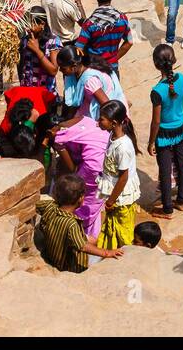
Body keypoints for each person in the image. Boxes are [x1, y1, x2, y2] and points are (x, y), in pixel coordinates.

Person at [50, 97, 112, 240]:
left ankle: (83, 234)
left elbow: (72, 169)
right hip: (104, 166)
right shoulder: (83, 121)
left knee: (86, 205)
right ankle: (91, 233)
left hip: (94, 169)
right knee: (94, 202)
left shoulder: (59, 138)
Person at [35, 173, 123, 272]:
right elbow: (83, 246)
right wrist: (107, 253)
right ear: (80, 199)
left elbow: (35, 205)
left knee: (93, 240)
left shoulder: (49, 206)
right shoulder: (71, 224)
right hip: (68, 265)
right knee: (101, 260)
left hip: (51, 253)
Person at [147, 43, 183, 219]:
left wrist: (151, 142)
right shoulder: (182, 79)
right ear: (174, 60)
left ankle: (167, 209)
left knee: (164, 170)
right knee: (182, 163)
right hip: (181, 127)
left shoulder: (157, 91)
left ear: (156, 64)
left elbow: (156, 121)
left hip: (164, 134)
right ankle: (181, 200)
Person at [96, 100, 141, 249]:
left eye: (101, 119)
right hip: (115, 195)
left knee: (123, 232)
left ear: (114, 123)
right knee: (113, 228)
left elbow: (124, 177)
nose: (98, 122)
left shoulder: (122, 148)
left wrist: (110, 201)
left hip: (121, 198)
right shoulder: (113, 136)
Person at [75, 0, 133, 79]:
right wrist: (114, 58)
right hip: (112, 69)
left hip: (93, 70)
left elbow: (79, 48)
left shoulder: (89, 24)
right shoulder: (122, 19)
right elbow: (130, 42)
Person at [58, 46, 125, 118]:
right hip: (89, 104)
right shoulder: (79, 71)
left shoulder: (89, 81)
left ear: (74, 67)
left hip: (107, 113)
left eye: (63, 68)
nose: (60, 70)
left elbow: (107, 104)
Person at [18, 6, 61, 92]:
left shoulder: (53, 41)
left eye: (32, 24)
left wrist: (37, 50)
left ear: (42, 24)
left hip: (46, 93)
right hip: (28, 91)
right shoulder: (25, 40)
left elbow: (53, 71)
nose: (28, 28)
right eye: (26, 24)